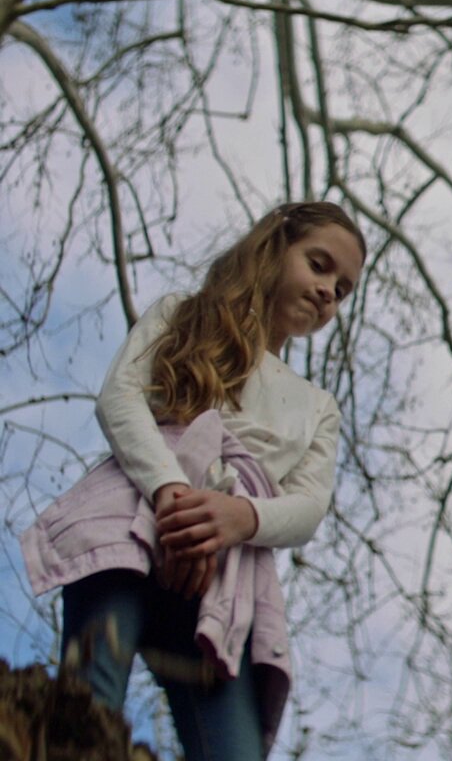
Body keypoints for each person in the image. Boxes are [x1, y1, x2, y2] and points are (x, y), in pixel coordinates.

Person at [20, 201, 368, 760]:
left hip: (226, 577)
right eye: (319, 265)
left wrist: (240, 518)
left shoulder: (318, 406)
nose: (329, 291)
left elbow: (308, 506)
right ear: (275, 248)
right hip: (129, 524)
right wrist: (170, 493)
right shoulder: (182, 316)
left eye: (343, 289)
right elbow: (120, 400)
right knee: (84, 714)